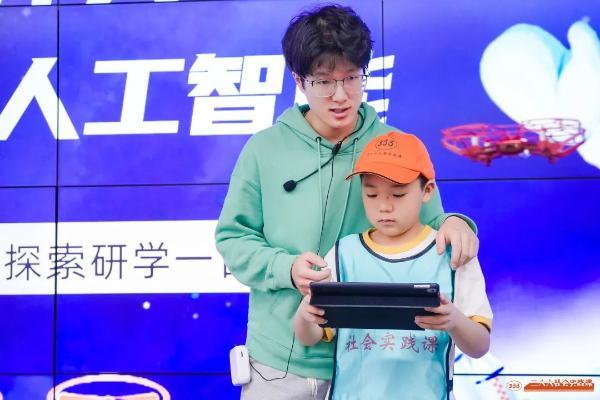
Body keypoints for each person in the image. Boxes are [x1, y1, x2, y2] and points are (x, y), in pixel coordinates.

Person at [215, 4, 479, 399]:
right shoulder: (264, 149)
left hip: (371, 361)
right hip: (279, 361)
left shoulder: (392, 144)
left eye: (352, 78)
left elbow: (432, 223)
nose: (340, 96)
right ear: (299, 80)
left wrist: (456, 222)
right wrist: (286, 268)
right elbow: (233, 238)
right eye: (323, 81)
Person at [294, 131, 492, 400]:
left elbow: (479, 346)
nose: (384, 207)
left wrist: (454, 320)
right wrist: (305, 314)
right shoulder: (344, 253)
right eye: (371, 194)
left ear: (427, 191)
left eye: (398, 194)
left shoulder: (451, 253)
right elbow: (310, 336)